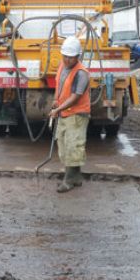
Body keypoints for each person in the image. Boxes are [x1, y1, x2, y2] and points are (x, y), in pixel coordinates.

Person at [49, 36, 91, 193]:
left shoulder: (82, 74)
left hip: (77, 114)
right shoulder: (62, 66)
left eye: (70, 57)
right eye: (65, 56)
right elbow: (58, 83)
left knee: (74, 145)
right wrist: (55, 99)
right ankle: (76, 176)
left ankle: (68, 180)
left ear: (78, 56)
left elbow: (75, 97)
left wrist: (57, 110)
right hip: (64, 113)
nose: (67, 60)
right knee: (65, 146)